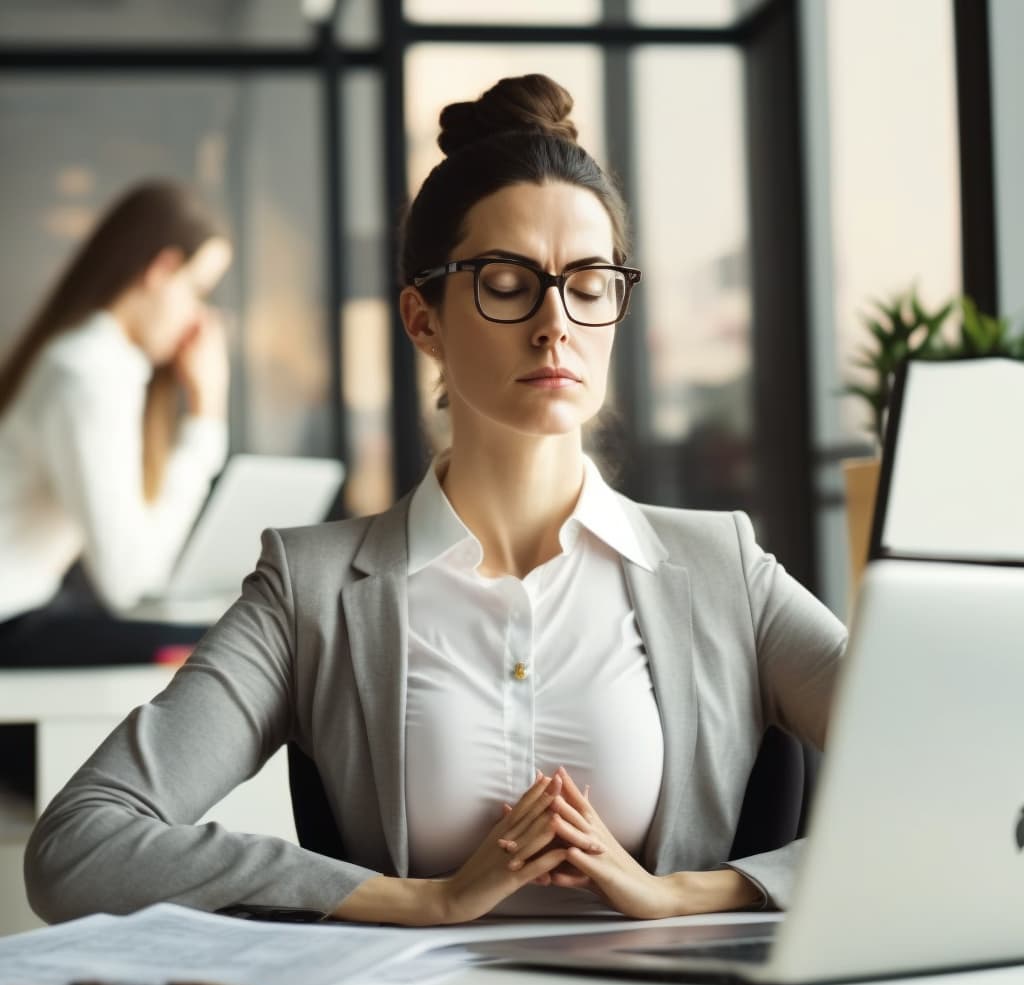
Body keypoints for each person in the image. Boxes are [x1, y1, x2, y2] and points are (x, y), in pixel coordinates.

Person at [24, 76, 846, 927]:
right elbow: (79, 848)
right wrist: (422, 901)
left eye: (589, 283)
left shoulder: (724, 571)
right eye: (505, 281)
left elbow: (982, 787)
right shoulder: (311, 590)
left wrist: (695, 890)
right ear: (424, 321)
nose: (555, 322)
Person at [0, 179, 232, 668]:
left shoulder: (100, 364)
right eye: (197, 291)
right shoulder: (87, 372)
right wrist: (205, 416)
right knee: (233, 641)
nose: (197, 319)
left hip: (26, 613)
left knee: (237, 632)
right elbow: (128, 583)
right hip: (12, 622)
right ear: (161, 269)